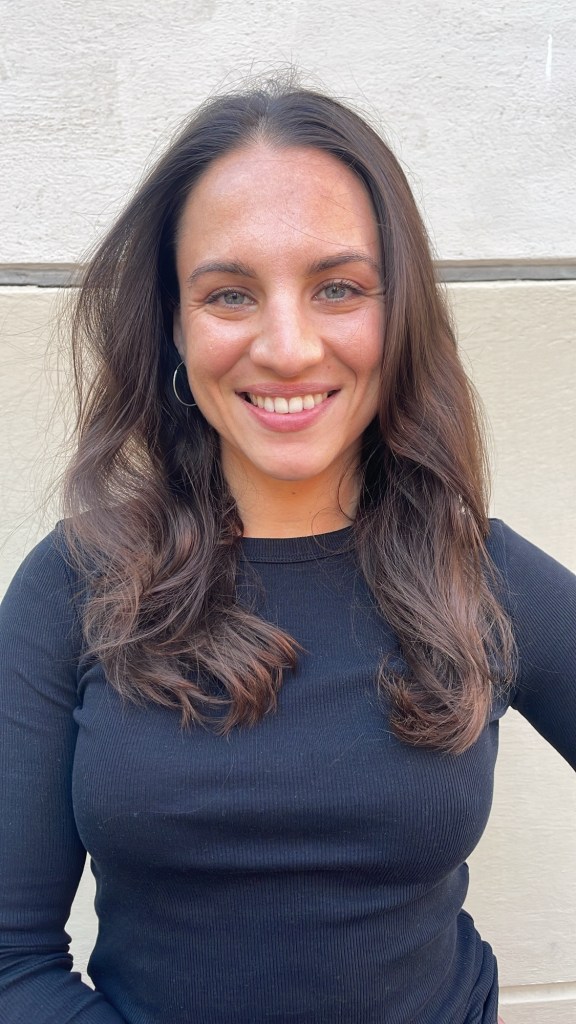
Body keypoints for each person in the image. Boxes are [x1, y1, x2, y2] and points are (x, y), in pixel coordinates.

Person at [0, 77, 574, 1024]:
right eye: (229, 294)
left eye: (337, 287)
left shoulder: (482, 575)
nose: (288, 346)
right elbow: (11, 959)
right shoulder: (74, 585)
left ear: (399, 312)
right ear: (174, 324)